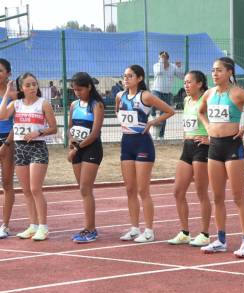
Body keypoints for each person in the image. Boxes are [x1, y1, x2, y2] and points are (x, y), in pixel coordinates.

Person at [198, 57, 244, 257]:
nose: (215, 74)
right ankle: (220, 240)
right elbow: (200, 112)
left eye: (219, 70)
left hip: (232, 147)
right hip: (214, 148)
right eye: (213, 70)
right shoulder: (208, 93)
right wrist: (207, 127)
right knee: (217, 196)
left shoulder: (237, 92)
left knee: (238, 197)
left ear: (230, 72)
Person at [116, 65, 174, 242]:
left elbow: (170, 111)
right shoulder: (120, 96)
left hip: (142, 144)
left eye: (130, 76)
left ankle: (149, 230)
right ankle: (134, 228)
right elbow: (119, 111)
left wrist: (152, 122)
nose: (126, 79)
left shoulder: (146, 96)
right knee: (130, 189)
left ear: (140, 78)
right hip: (126, 143)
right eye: (124, 76)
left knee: (143, 189)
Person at [0, 73, 57, 241]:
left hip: (37, 147)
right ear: (22, 88)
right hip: (20, 148)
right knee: (26, 190)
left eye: (34, 84)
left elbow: (54, 128)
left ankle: (43, 226)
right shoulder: (16, 104)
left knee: (35, 189)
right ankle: (32, 225)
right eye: (28, 85)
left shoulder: (43, 104)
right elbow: (2, 116)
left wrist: (39, 131)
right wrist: (6, 94)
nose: (32, 87)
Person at [168, 70, 211, 247]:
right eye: (184, 82)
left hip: (202, 148)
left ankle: (205, 234)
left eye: (189, 82)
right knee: (178, 191)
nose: (185, 85)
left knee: (201, 192)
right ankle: (185, 232)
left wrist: (210, 139)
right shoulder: (186, 100)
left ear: (200, 84)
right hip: (187, 147)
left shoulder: (206, 100)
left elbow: (217, 122)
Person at [67, 72, 105, 243]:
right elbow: (70, 128)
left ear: (89, 87)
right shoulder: (74, 105)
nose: (77, 92)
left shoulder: (97, 105)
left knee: (85, 188)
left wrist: (76, 148)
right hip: (77, 148)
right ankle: (88, 227)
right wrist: (71, 142)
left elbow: (95, 133)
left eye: (80, 89)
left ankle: (91, 229)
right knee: (82, 190)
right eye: (74, 90)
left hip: (91, 148)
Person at [151, 51, 184, 139]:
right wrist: (161, 62)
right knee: (154, 101)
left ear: (167, 58)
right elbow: (159, 72)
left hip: (167, 93)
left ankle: (161, 135)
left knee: (164, 114)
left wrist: (179, 67)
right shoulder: (156, 65)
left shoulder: (173, 67)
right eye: (160, 57)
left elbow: (181, 76)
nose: (161, 59)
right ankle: (152, 113)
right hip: (156, 90)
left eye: (163, 57)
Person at [0, 59, 16, 239]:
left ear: (8, 73)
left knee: (6, 182)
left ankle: (5, 224)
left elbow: (17, 121)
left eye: (1, 71)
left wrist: (6, 144)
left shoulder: (13, 94)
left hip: (8, 140)